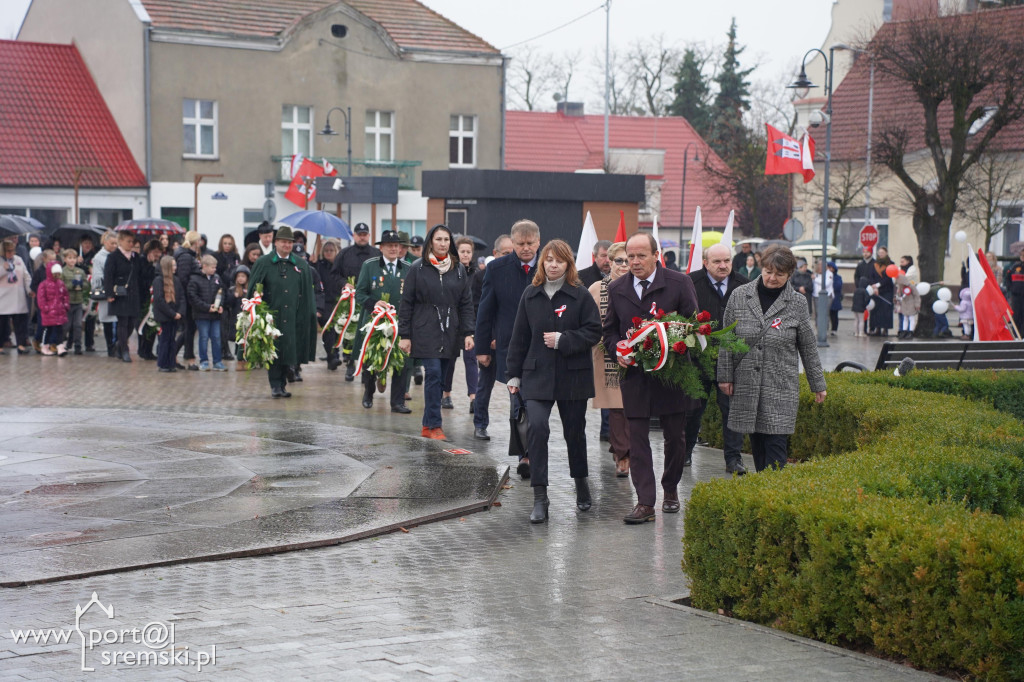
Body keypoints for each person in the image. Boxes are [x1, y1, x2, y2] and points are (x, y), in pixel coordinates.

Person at [603, 232, 700, 524]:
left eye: (640, 255)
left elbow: (695, 325)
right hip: (635, 377)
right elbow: (609, 331)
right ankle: (645, 502)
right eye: (629, 256)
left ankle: (670, 489)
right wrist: (617, 350)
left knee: (675, 438)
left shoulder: (679, 283)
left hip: (672, 376)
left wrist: (672, 343)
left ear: (656, 255)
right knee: (638, 439)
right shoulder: (617, 288)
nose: (634, 261)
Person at [507, 239, 601, 523]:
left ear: (568, 264)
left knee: (574, 433)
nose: (553, 264)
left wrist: (564, 339)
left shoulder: (580, 295)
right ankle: (540, 497)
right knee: (536, 427)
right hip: (536, 375)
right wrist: (513, 374)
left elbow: (594, 331)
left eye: (559, 260)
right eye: (548, 259)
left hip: (573, 376)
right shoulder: (530, 294)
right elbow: (519, 337)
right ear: (542, 262)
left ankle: (581, 484)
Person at [718, 245, 827, 472]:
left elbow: (808, 346)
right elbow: (727, 339)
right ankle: (763, 492)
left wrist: (818, 384)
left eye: (779, 274)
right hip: (747, 383)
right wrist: (725, 377)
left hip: (780, 386)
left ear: (789, 275)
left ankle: (774, 493)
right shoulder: (740, 296)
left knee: (776, 446)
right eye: (768, 271)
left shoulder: (796, 303)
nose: (772, 278)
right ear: (761, 268)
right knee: (757, 444)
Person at [397, 224, 475, 440]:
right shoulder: (417, 268)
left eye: (446, 240)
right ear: (431, 241)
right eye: (439, 239)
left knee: (441, 380)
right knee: (433, 374)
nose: (443, 243)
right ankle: (434, 424)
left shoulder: (458, 269)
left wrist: (468, 332)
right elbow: (407, 303)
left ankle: (426, 425)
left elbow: (466, 303)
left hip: (450, 332)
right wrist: (405, 335)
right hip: (425, 330)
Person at [474, 221, 540, 464]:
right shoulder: (498, 269)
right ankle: (525, 455)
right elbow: (486, 309)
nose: (525, 248)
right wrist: (482, 348)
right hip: (510, 348)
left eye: (530, 243)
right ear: (512, 243)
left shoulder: (549, 266)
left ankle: (532, 450)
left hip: (541, 347)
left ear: (538, 242)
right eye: (520, 244)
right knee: (519, 400)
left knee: (535, 403)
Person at [685, 243, 750, 475]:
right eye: (717, 262)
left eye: (727, 261)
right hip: (698, 360)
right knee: (692, 411)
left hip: (732, 361)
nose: (723, 266)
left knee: (731, 411)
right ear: (705, 263)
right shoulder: (690, 283)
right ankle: (685, 452)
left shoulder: (744, 284)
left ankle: (733, 459)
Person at [248, 225, 317, 398]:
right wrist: (258, 299)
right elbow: (253, 289)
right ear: (276, 242)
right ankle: (275, 385)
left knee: (290, 349)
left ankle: (283, 383)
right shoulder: (263, 262)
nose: (287, 245)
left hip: (293, 315)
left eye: (290, 242)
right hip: (272, 315)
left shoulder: (301, 265)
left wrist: (307, 314)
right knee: (274, 350)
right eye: (283, 242)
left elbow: (307, 293)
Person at [354, 230, 414, 413]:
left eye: (396, 245)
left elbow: (413, 296)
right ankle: (368, 393)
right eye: (389, 246)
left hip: (399, 323)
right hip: (375, 322)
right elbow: (360, 294)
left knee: (400, 361)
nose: (394, 249)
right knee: (372, 360)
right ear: (381, 248)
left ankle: (397, 402)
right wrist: (374, 304)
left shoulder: (408, 268)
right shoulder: (370, 265)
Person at [588, 241, 632, 477]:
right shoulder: (597, 288)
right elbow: (588, 320)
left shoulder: (638, 286)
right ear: (610, 262)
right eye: (619, 261)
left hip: (636, 355)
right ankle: (623, 456)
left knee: (631, 408)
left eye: (628, 260)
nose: (624, 265)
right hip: (606, 355)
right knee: (616, 409)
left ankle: (621, 448)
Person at [332, 222, 382, 381]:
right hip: (351, 300)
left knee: (371, 334)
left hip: (371, 300)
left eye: (364, 234)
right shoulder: (344, 254)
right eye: (359, 234)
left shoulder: (377, 253)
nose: (362, 237)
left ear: (369, 235)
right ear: (354, 235)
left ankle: (370, 365)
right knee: (350, 333)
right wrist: (343, 284)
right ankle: (350, 364)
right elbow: (334, 275)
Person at [440, 236, 479, 411]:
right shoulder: (450, 272)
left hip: (471, 321)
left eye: (468, 252)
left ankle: (473, 397)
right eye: (462, 251)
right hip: (453, 321)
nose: (465, 254)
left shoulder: (477, 274)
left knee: (471, 359)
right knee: (450, 359)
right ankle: (446, 394)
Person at [103, 230, 144, 363]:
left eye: (132, 242)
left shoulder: (135, 257)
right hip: (119, 294)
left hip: (133, 293)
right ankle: (125, 350)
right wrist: (109, 294)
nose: (131, 244)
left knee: (132, 323)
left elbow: (139, 274)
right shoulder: (113, 257)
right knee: (122, 322)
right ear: (120, 241)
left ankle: (118, 345)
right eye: (128, 241)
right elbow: (108, 276)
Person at [188, 254, 226, 371]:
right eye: (212, 267)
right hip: (201, 315)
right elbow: (193, 297)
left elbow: (222, 292)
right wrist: (206, 307)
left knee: (216, 337)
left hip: (215, 315)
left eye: (215, 267)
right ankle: (204, 361)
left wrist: (220, 306)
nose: (214, 270)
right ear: (204, 266)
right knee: (203, 337)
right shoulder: (194, 279)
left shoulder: (217, 278)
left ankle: (217, 361)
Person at [315, 238, 345, 370]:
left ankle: (335, 355)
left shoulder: (341, 266)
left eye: (331, 250)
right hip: (325, 303)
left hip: (339, 301)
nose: (328, 253)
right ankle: (332, 356)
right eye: (326, 250)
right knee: (329, 330)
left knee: (338, 331)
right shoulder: (319, 265)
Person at [152, 255, 185, 373]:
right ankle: (163, 363)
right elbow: (159, 300)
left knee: (172, 340)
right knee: (164, 340)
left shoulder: (176, 280)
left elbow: (181, 297)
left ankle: (171, 363)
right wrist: (172, 313)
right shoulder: (158, 281)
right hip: (164, 316)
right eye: (173, 265)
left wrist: (180, 312)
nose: (176, 267)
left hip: (175, 315)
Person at [173, 232, 202, 368]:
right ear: (196, 242)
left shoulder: (188, 255)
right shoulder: (185, 256)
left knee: (190, 328)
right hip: (187, 298)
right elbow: (183, 278)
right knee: (189, 328)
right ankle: (188, 358)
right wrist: (191, 295)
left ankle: (179, 355)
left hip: (188, 297)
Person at [0, 239, 32, 354]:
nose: (11, 253)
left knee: (21, 323)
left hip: (18, 296)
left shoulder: (18, 260)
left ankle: (21, 345)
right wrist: (3, 268)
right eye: (8, 251)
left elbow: (26, 276)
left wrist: (29, 289)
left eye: (12, 250)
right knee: (2, 324)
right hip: (3, 297)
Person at [90, 231, 118, 357]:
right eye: (112, 243)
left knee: (119, 319)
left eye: (116, 244)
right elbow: (97, 277)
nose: (114, 246)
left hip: (118, 291)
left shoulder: (119, 255)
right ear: (105, 242)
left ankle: (119, 345)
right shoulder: (99, 257)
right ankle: (110, 347)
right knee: (107, 319)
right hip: (105, 291)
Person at [137, 239, 164, 361]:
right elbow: (142, 279)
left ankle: (148, 350)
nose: (157, 254)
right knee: (144, 325)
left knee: (152, 325)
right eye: (155, 251)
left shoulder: (157, 264)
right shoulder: (141, 261)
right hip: (142, 298)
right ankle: (142, 350)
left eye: (159, 251)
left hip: (153, 297)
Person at [59, 248, 89, 355]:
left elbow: (86, 285)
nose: (72, 260)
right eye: (69, 258)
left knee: (78, 325)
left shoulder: (80, 271)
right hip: (68, 303)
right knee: (66, 325)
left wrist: (80, 284)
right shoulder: (63, 272)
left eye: (74, 258)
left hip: (78, 301)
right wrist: (72, 284)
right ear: (65, 259)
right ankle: (61, 343)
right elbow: (61, 286)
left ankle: (78, 346)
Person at [36, 262, 70, 356]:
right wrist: (45, 308)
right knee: (48, 329)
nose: (57, 276)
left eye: (58, 274)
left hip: (59, 311)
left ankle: (60, 346)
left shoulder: (61, 284)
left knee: (59, 329)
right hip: (49, 313)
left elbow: (65, 295)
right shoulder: (44, 284)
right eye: (55, 274)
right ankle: (45, 346)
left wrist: (65, 305)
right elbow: (41, 298)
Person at [223, 264, 250, 368]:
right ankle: (239, 360)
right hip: (236, 319)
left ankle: (246, 359)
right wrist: (233, 297)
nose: (240, 279)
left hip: (248, 319)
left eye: (243, 276)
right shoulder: (233, 290)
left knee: (247, 340)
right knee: (239, 341)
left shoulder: (250, 290)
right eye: (238, 276)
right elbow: (228, 304)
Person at [869, 257, 894, 336]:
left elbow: (888, 278)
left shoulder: (891, 264)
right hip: (876, 290)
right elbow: (871, 276)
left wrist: (878, 285)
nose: (881, 255)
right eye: (879, 253)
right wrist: (874, 286)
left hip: (886, 290)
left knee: (885, 309)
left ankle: (885, 329)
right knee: (876, 309)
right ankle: (877, 327)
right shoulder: (874, 264)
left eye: (883, 253)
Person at [894, 272, 921, 339]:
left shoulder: (911, 286)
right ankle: (904, 331)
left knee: (911, 318)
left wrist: (917, 304)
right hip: (904, 304)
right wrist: (897, 297)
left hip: (911, 304)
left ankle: (911, 331)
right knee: (905, 318)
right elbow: (900, 296)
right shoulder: (900, 287)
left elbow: (916, 295)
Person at [1004, 249, 1024, 333]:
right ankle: (1016, 334)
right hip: (1016, 296)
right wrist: (1011, 289)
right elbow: (1008, 279)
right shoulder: (1015, 267)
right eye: (1022, 255)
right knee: (1016, 315)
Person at [828, 261, 843, 336]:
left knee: (834, 315)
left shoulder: (838, 277)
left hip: (835, 298)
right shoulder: (826, 276)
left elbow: (838, 286)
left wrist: (831, 282)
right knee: (828, 314)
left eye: (831, 268)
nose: (829, 269)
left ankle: (834, 329)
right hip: (827, 297)